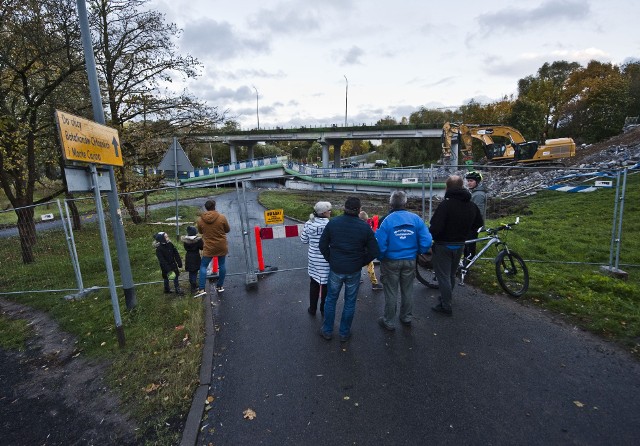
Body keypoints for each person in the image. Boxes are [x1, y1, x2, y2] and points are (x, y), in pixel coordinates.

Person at [319, 197, 380, 342]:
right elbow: (374, 251)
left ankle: (327, 331)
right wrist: (360, 262)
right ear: (359, 210)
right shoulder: (364, 227)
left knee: (331, 299)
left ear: (344, 208)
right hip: (353, 270)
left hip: (336, 268)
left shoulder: (333, 223)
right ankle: (344, 333)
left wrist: (331, 259)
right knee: (350, 302)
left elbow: (322, 245)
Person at [375, 190, 432, 330]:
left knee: (391, 291)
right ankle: (406, 317)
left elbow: (380, 244)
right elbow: (427, 240)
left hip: (390, 260)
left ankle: (389, 321)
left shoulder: (387, 220)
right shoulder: (415, 219)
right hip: (410, 260)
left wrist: (382, 257)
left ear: (391, 204)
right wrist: (418, 251)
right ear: (405, 203)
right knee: (407, 290)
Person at [429, 175, 483, 316]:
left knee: (443, 277)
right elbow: (478, 224)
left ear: (448, 187)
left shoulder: (446, 205)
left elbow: (435, 227)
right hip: (460, 245)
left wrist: (432, 237)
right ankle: (447, 297)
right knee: (452, 275)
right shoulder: (471, 205)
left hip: (443, 245)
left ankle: (446, 305)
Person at [300, 201, 332, 316]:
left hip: (313, 259)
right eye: (329, 210)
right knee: (325, 285)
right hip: (326, 259)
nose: (330, 212)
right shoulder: (330, 225)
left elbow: (303, 240)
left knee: (314, 283)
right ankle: (323, 309)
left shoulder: (309, 223)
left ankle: (312, 309)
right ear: (323, 213)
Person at [194, 200, 230, 298]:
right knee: (222, 264)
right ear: (214, 206)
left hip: (209, 246)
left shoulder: (200, 220)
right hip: (221, 245)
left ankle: (201, 288)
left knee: (203, 266)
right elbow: (227, 230)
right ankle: (220, 286)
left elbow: (201, 232)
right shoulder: (222, 217)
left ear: (206, 208)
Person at [464, 171, 488, 260]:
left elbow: (477, 212)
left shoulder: (478, 194)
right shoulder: (474, 192)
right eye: (468, 181)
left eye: (471, 181)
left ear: (477, 182)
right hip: (471, 224)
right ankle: (467, 262)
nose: (469, 183)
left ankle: (468, 263)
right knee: (468, 244)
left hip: (473, 225)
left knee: (470, 245)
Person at [358, 210, 383, 291]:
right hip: (366, 252)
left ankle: (358, 279)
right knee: (370, 268)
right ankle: (374, 283)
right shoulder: (368, 229)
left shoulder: (355, 226)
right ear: (366, 220)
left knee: (358, 267)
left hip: (357, 252)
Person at [181, 225, 204, 294]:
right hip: (196, 256)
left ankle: (192, 284)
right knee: (195, 271)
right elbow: (202, 247)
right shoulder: (198, 240)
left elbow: (185, 248)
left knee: (191, 272)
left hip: (188, 256)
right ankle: (193, 287)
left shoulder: (185, 240)